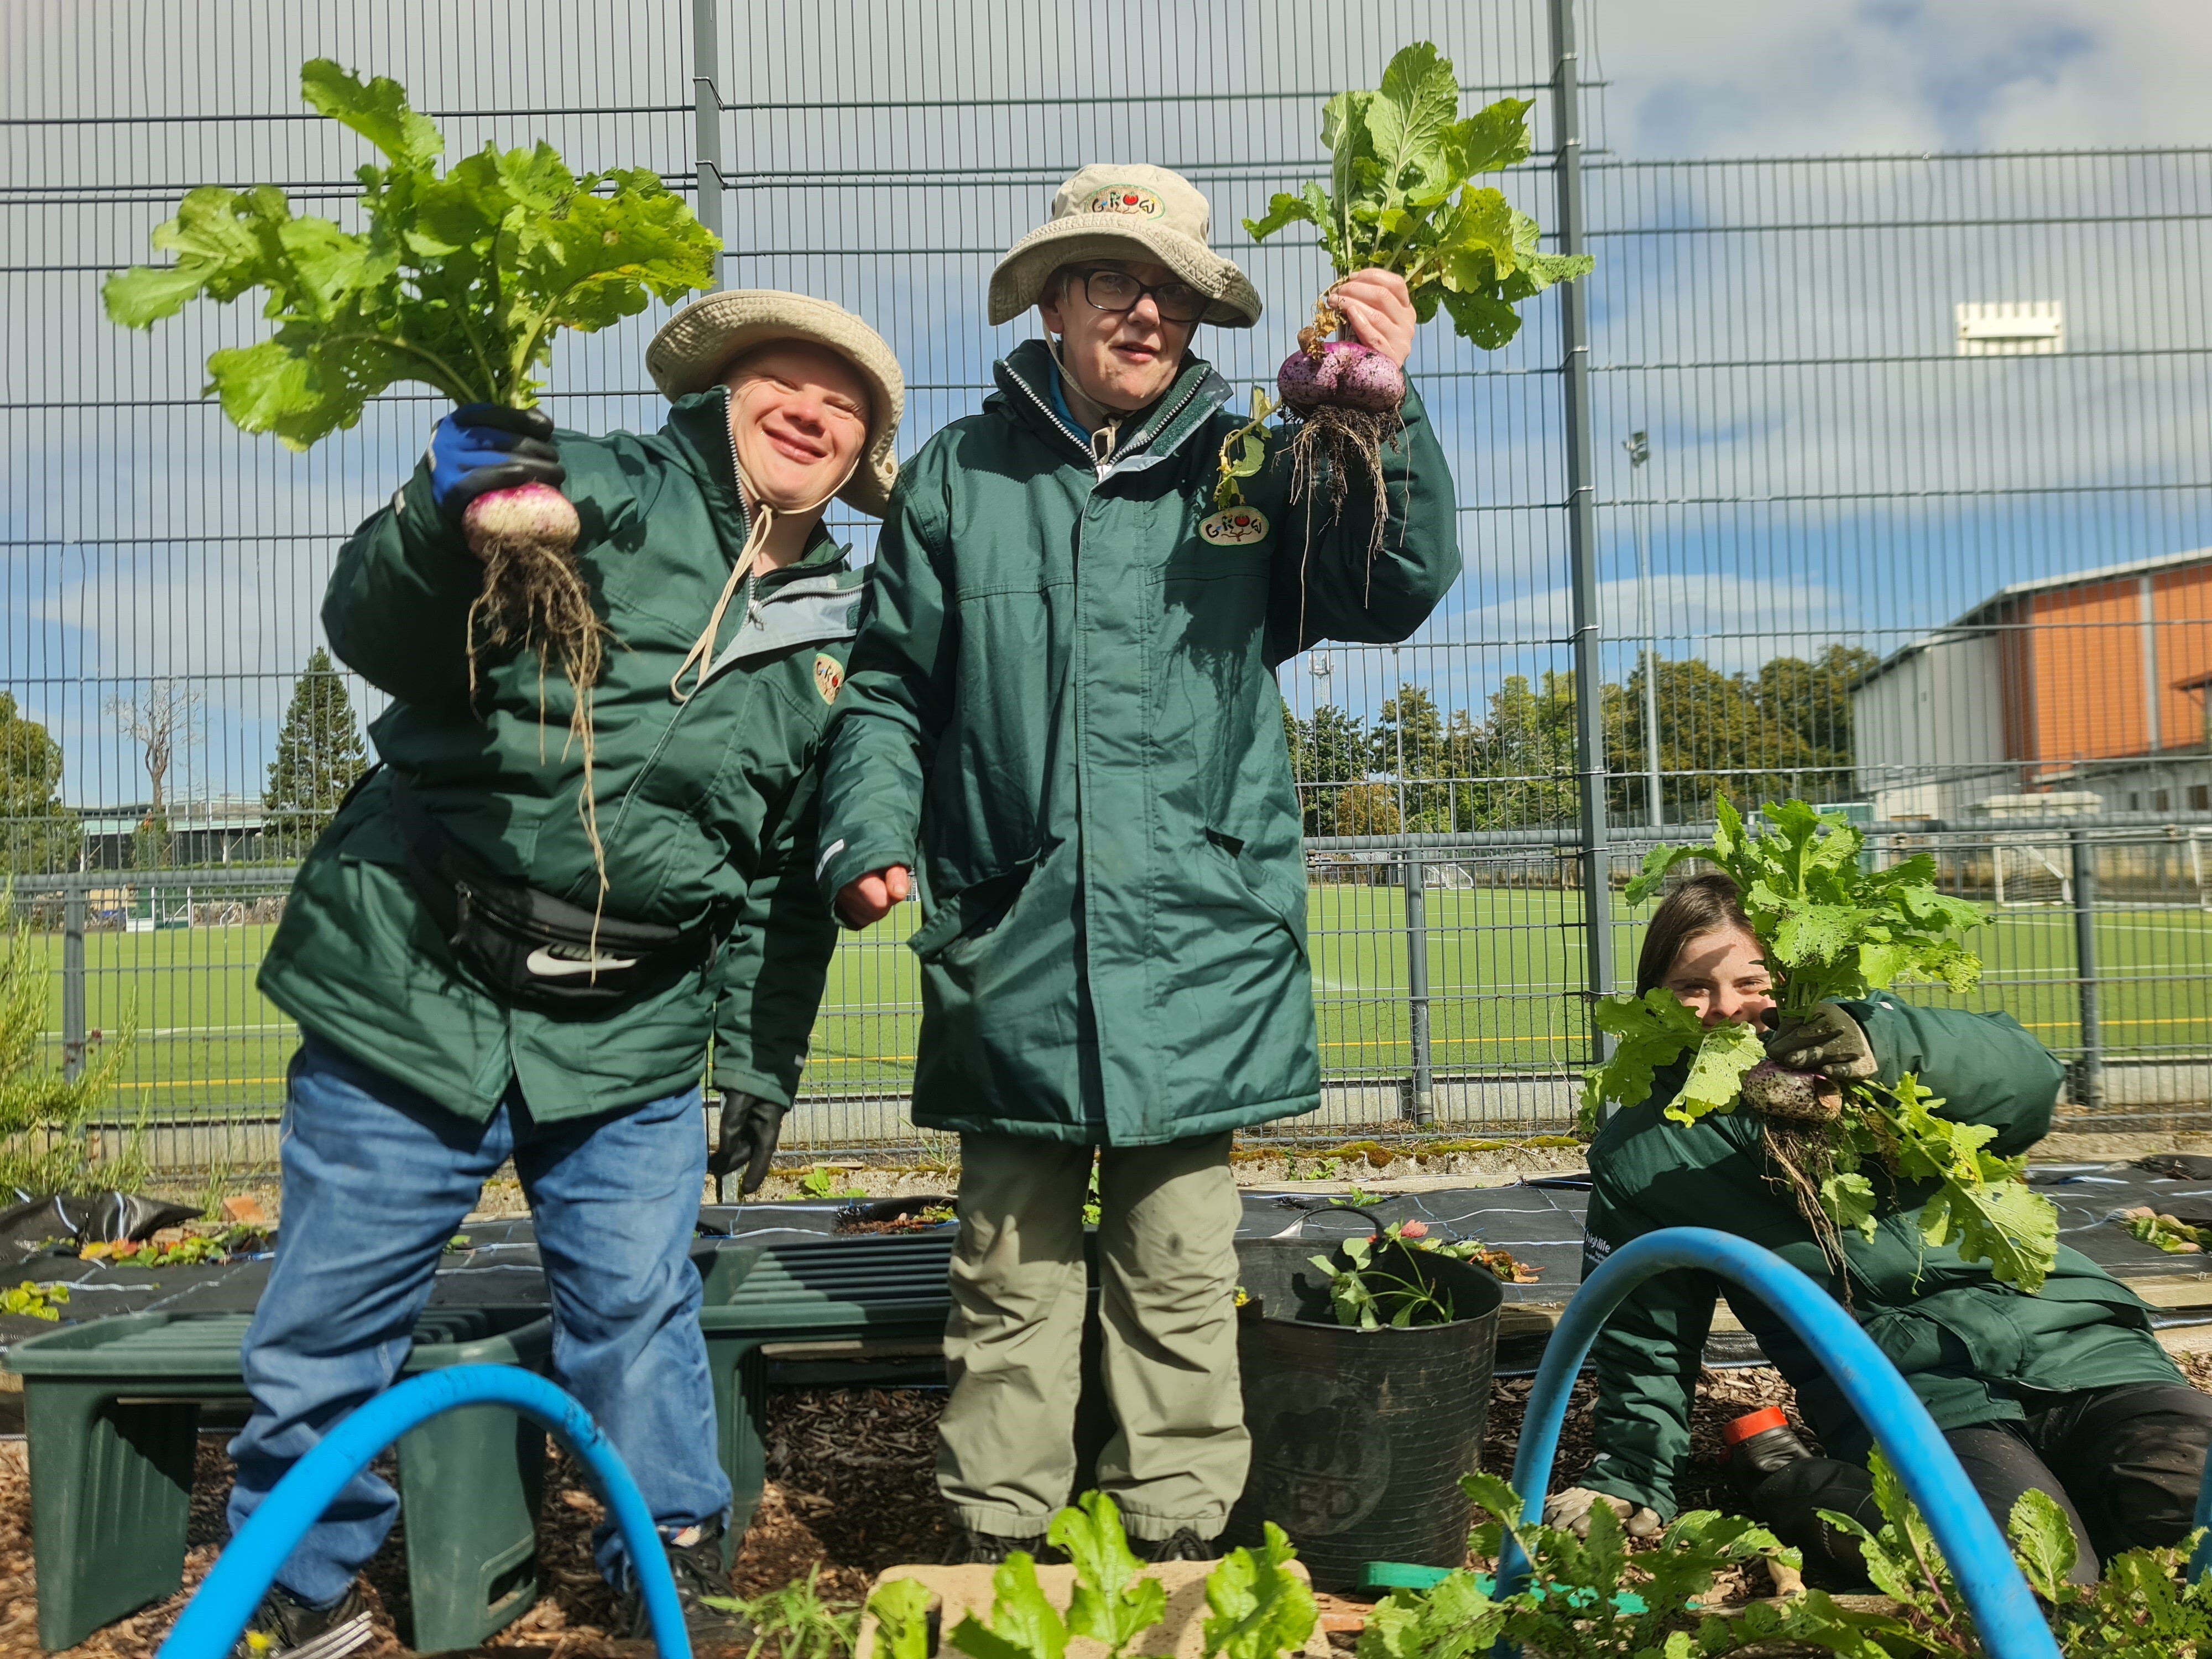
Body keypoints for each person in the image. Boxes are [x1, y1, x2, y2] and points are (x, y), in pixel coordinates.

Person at [227, 289, 904, 1656]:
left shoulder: (841, 626)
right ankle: (298, 1594)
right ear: (720, 395)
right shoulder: (596, 486)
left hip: (635, 1024)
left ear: (859, 458)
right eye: (784, 380)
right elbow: (378, 629)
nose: (809, 411)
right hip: (415, 973)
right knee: (334, 1308)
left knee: (639, 1312)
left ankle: (675, 1571)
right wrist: (440, 516)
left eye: (843, 407)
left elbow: (781, 888)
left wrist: (760, 1066)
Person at [815, 163, 1461, 1561]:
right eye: (1112, 279)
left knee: (1174, 1261)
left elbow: (1385, 587)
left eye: (1170, 287)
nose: (1145, 308)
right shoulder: (957, 480)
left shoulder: (1252, 459)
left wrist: (1377, 415)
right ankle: (1000, 1533)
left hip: (1194, 933)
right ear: (1053, 301)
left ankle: (1170, 1534)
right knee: (1008, 1265)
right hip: (1014, 928)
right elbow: (884, 690)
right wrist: (868, 830)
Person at [1550, 871, 2212, 1586]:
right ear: (1657, 997)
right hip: (1912, 1391)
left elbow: (2031, 1085)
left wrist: (1883, 1046)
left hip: (2081, 1347)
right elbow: (1646, 1337)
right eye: (1692, 988)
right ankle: (1789, 1481)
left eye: (1750, 982)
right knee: (2024, 1574)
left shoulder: (1866, 1041)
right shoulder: (1653, 1148)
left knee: (2183, 1511)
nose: (1725, 1009)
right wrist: (1633, 1477)